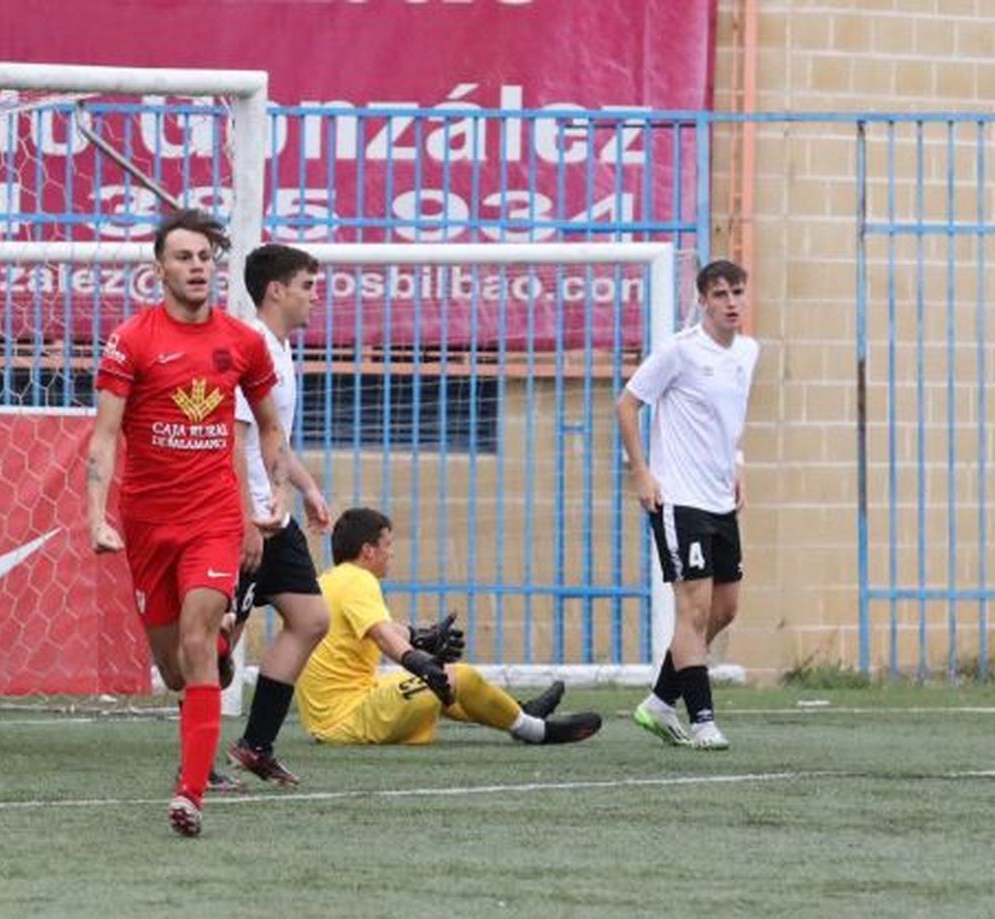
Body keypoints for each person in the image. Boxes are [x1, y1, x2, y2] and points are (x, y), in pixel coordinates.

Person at [87, 208, 288, 838]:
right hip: (148, 523)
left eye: (204, 257)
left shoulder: (243, 341)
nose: (197, 267)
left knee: (196, 642)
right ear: (160, 269)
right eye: (183, 257)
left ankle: (190, 795)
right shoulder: (132, 340)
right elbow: (104, 436)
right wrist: (95, 515)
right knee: (175, 670)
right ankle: (222, 649)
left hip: (212, 518)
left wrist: (275, 491)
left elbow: (271, 425)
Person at [296, 507, 602, 747]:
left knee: (445, 681)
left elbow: (383, 628)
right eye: (388, 544)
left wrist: (421, 637)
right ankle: (536, 730)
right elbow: (383, 636)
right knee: (456, 676)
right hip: (349, 719)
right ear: (368, 551)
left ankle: (518, 711)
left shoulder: (332, 580)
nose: (392, 552)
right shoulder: (359, 580)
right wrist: (421, 663)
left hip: (338, 713)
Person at [617, 259, 759, 751]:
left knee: (726, 608)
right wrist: (642, 472)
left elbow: (729, 419)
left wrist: (737, 463)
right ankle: (702, 720)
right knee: (692, 612)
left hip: (721, 500)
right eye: (720, 294)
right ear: (703, 301)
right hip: (679, 499)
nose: (731, 302)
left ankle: (659, 700)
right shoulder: (679, 352)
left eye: (737, 292)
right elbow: (627, 403)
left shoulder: (748, 353)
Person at [222, 243, 332, 788]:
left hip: (276, 514)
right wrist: (245, 521)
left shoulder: (280, 350)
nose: (316, 297)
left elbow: (275, 439)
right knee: (214, 653)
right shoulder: (249, 348)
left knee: (312, 619)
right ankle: (191, 765)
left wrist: (308, 489)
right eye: (308, 286)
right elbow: (232, 442)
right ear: (276, 290)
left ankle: (255, 745)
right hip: (246, 518)